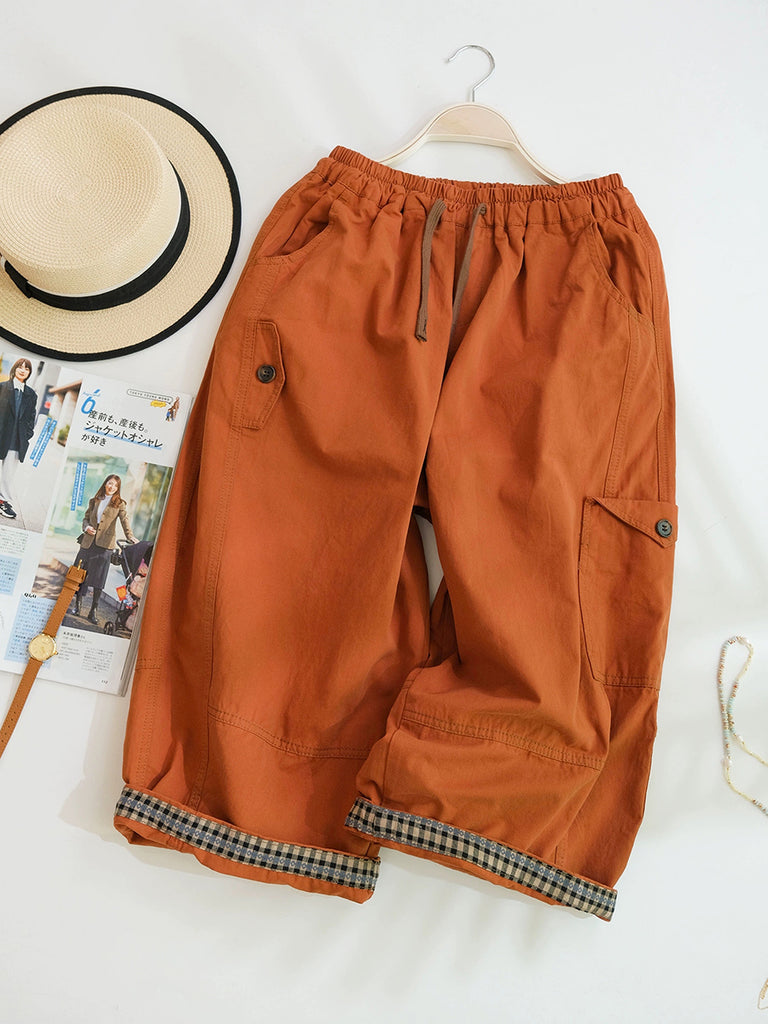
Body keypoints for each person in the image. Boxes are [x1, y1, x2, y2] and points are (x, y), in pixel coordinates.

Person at [74, 474, 137, 624]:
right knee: (80, 574)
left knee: (99, 578)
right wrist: (87, 527)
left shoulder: (120, 504)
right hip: (88, 543)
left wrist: (130, 536)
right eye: (110, 483)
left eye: (115, 485)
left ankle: (93, 611)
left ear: (118, 488)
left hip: (105, 546)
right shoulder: (94, 500)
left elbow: (124, 520)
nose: (112, 487)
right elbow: (86, 518)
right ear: (105, 484)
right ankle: (77, 605)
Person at [0, 357, 38, 520]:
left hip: (17, 439)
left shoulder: (31, 394)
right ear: (14, 369)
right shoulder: (2, 387)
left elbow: (31, 417)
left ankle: (3, 501)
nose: (23, 370)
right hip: (1, 434)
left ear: (29, 372)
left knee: (8, 474)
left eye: (27, 368)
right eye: (20, 367)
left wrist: (27, 434)